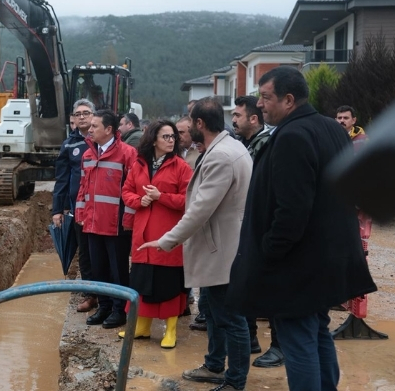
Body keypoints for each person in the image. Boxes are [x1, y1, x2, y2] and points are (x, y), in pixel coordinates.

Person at [227, 66, 377, 391]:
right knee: (318, 332)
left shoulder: (292, 137)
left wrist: (269, 251)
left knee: (298, 340)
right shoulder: (329, 128)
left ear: (289, 99)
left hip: (298, 265)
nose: (260, 105)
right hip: (327, 259)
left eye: (266, 97)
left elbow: (291, 211)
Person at [138, 96, 252, 391]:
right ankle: (215, 364)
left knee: (231, 317)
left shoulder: (221, 156)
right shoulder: (225, 148)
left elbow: (200, 209)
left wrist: (166, 241)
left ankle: (235, 380)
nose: (183, 132)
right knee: (214, 310)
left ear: (200, 124)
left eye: (189, 124)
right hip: (219, 246)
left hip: (223, 248)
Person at [119, 120, 192, 348]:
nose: (171, 141)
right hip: (142, 234)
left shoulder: (181, 167)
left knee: (168, 284)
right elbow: (126, 191)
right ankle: (141, 327)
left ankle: (170, 331)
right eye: (166, 137)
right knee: (141, 282)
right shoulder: (139, 164)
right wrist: (139, 200)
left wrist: (162, 197)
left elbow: (189, 200)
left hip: (168, 235)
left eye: (173, 137)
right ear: (153, 140)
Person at [231, 95, 283, 366]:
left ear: (253, 118)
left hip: (265, 226)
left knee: (271, 286)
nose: (233, 120)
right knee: (247, 280)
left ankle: (279, 345)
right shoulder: (243, 144)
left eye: (238, 115)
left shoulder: (268, 145)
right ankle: (250, 337)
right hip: (247, 223)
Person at [75, 110, 136, 329]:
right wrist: (81, 214)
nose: (89, 130)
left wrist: (128, 219)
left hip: (116, 224)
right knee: (98, 268)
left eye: (94, 126)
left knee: (117, 269)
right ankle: (104, 306)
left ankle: (120, 310)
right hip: (92, 223)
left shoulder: (127, 154)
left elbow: (133, 189)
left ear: (109, 129)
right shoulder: (88, 155)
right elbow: (83, 189)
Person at [53, 99, 97, 312]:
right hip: (78, 208)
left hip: (102, 208)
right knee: (85, 253)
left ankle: (111, 295)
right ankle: (90, 294)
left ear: (93, 116)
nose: (82, 117)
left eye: (86, 113)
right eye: (78, 114)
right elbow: (61, 180)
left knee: (104, 252)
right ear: (73, 118)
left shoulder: (102, 141)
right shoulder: (69, 145)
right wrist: (57, 210)